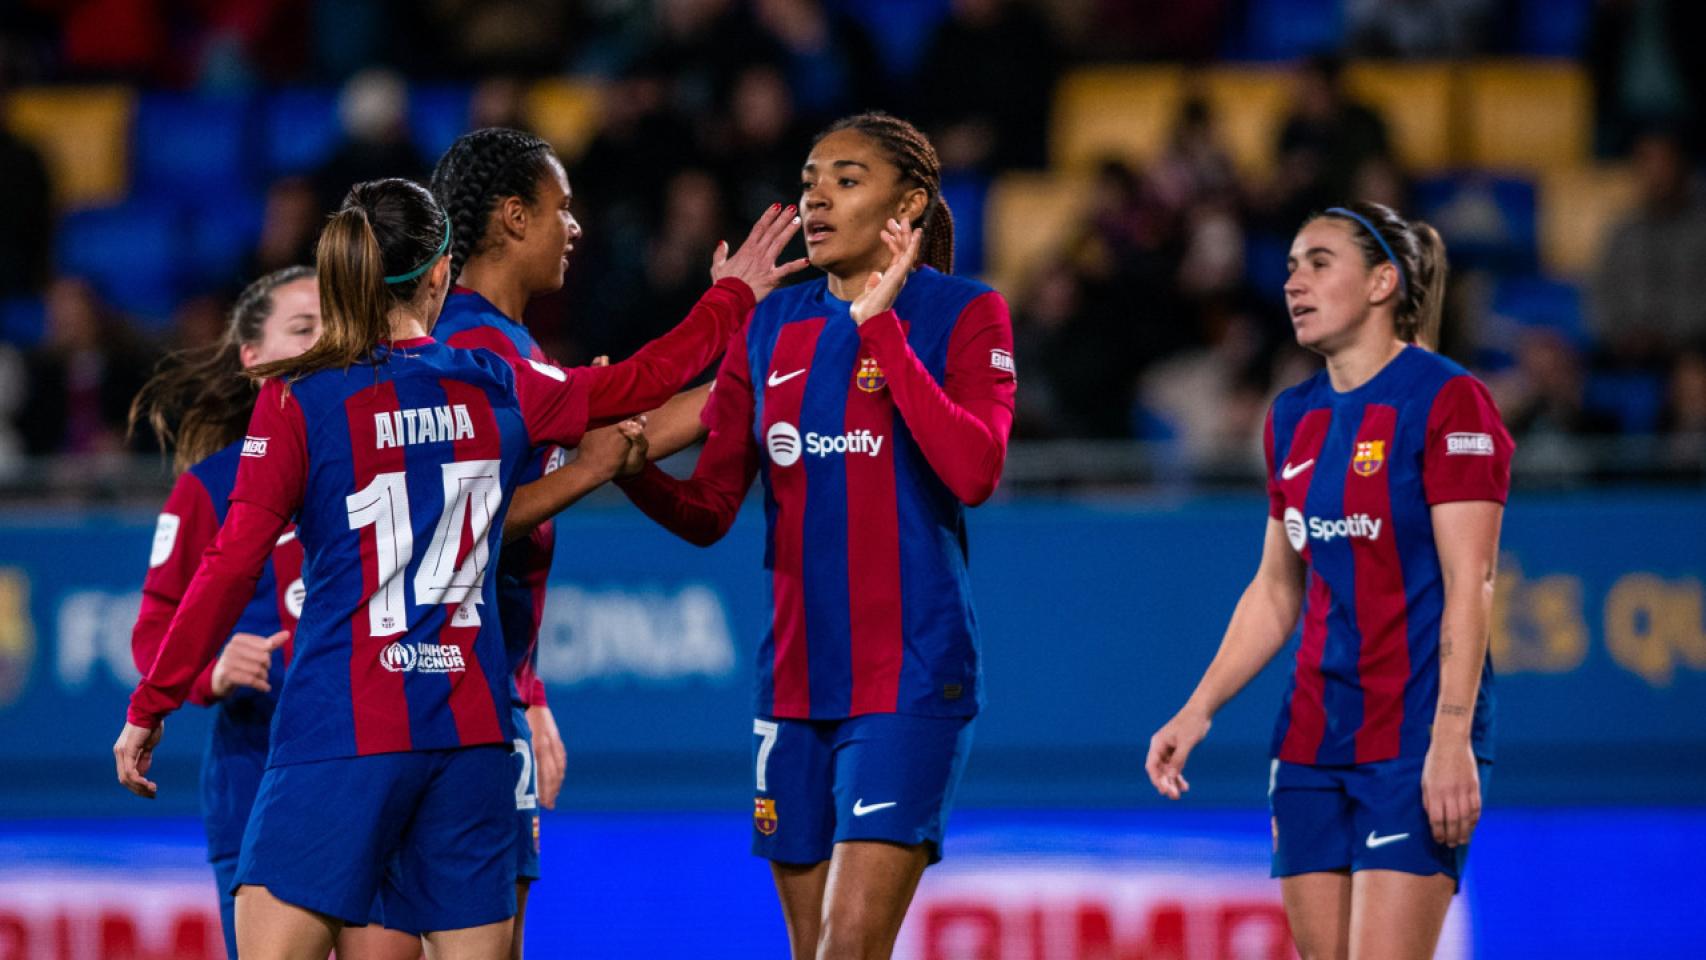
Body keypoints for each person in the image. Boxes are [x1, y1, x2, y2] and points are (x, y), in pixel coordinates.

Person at [113, 178, 802, 960]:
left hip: (342, 727)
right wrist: (730, 300)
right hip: (470, 730)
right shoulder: (499, 382)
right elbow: (641, 381)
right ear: (442, 273)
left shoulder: (297, 399)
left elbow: (233, 562)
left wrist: (152, 704)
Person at [609, 111, 1017, 960]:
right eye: (807, 181)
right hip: (794, 685)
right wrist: (624, 464)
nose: (816, 197)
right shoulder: (768, 326)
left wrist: (880, 330)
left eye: (846, 178)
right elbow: (710, 509)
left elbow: (976, 472)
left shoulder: (967, 313)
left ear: (909, 205)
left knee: (848, 946)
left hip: (911, 677)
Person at [1145, 201, 1513, 960]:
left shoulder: (1449, 400)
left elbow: (1470, 582)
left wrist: (1451, 740)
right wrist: (1197, 709)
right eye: (1288, 268)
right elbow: (1276, 589)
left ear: (1383, 282)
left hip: (1413, 737)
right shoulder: (1292, 417)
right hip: (1312, 741)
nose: (1294, 283)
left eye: (1318, 263)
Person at [427, 127, 756, 957]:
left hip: (485, 691)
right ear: (511, 217)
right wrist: (731, 304)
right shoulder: (475, 349)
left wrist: (772, 361)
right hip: (456, 708)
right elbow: (481, 524)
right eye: (561, 209)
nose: (575, 228)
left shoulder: (505, 345)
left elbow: (633, 428)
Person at [126, 266, 422, 960]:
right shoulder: (209, 489)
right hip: (256, 785)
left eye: (336, 324)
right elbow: (153, 628)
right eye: (303, 329)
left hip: (371, 776)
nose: (327, 341)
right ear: (252, 361)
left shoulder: (397, 461)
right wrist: (209, 671)